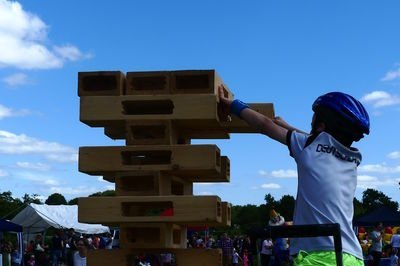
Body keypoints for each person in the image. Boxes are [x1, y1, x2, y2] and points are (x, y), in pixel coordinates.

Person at [219, 88, 370, 266]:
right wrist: (287, 126)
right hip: (352, 256)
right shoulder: (352, 158)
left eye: (314, 118)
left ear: (321, 125)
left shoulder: (310, 147)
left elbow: (265, 125)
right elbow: (316, 142)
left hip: (318, 255)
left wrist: (233, 106)